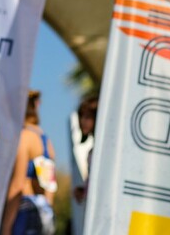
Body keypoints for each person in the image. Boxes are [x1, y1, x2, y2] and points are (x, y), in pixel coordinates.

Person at [1, 90, 57, 235]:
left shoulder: (24, 137)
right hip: (42, 211)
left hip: (23, 210)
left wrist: (6, 227)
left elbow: (17, 185)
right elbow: (50, 186)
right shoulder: (46, 140)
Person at [69, 95, 99, 235]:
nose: (83, 121)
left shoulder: (103, 149)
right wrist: (84, 190)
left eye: (88, 117)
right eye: (81, 116)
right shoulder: (93, 149)